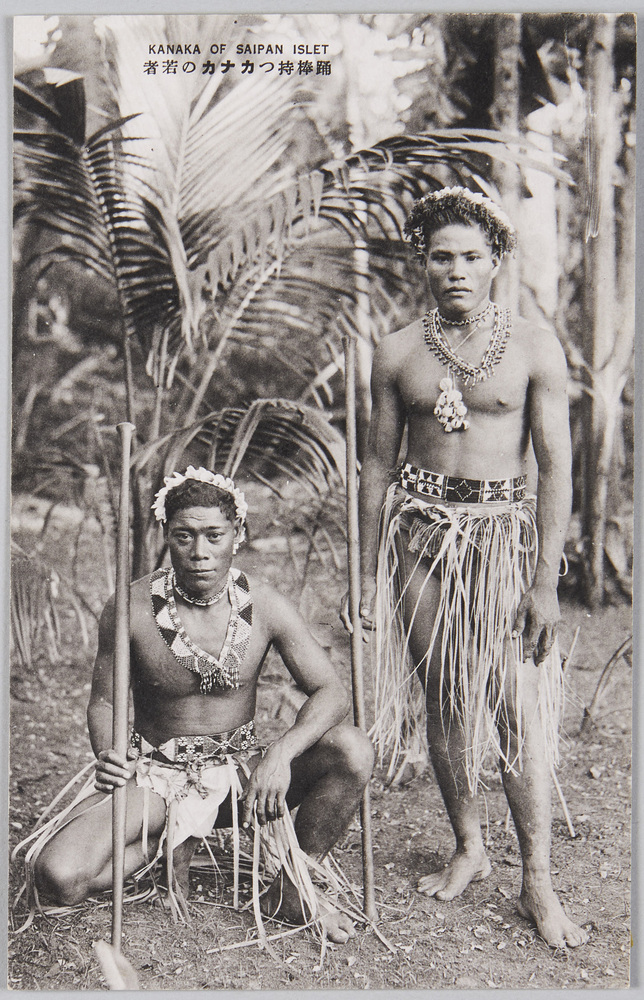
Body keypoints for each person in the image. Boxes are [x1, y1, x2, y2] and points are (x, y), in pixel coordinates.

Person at [342, 186, 588, 949]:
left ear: (496, 262)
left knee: (513, 704)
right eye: (442, 256)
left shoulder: (534, 348)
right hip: (417, 537)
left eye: (472, 257)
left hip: (500, 542)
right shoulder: (395, 352)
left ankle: (537, 881)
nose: (456, 270)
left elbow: (556, 468)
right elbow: (377, 466)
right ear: (421, 261)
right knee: (445, 694)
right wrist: (363, 576)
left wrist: (546, 582)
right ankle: (469, 846)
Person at [30, 467, 374, 943]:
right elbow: (105, 701)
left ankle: (294, 890)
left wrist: (280, 754)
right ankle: (160, 845)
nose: (200, 552)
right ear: (166, 536)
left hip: (241, 779)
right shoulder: (129, 607)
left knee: (353, 750)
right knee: (59, 878)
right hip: (156, 777)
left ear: (238, 535)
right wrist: (110, 755)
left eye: (214, 535)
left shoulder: (265, 603)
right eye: (184, 536)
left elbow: (331, 691)